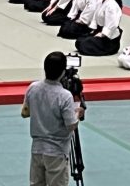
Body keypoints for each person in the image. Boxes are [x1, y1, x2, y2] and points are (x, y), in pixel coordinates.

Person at [22, 51, 82, 186]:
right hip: (57, 151)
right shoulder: (64, 95)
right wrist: (78, 112)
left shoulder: (33, 87)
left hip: (37, 150)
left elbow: (25, 112)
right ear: (63, 72)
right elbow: (71, 125)